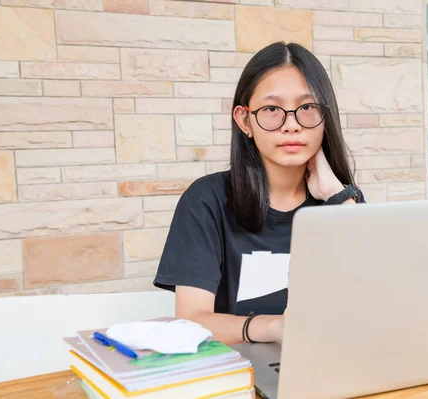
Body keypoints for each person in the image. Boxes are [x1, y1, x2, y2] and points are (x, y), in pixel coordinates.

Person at [153, 42, 364, 345]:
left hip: (331, 363)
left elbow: (376, 302)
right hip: (240, 374)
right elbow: (191, 321)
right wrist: (275, 328)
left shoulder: (344, 204)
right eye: (271, 109)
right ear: (244, 120)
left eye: (307, 107)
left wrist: (338, 195)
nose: (291, 125)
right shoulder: (206, 201)